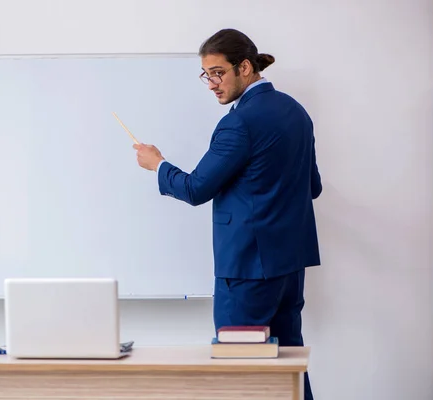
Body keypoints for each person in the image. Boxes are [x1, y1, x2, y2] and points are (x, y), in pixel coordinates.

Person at [133, 28, 321, 400]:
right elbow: (311, 187)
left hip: (247, 271)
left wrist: (158, 165)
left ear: (245, 67)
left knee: (240, 373)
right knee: (288, 370)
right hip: (289, 267)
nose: (211, 84)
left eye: (218, 73)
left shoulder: (239, 123)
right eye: (206, 75)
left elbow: (194, 189)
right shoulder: (295, 111)